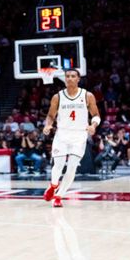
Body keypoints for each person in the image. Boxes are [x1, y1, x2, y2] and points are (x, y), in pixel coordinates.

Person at [42, 68, 101, 208]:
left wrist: (93, 125)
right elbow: (51, 116)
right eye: (67, 76)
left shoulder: (88, 95)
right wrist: (48, 125)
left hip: (79, 135)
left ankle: (58, 196)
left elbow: (96, 115)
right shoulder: (58, 97)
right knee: (59, 165)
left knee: (72, 167)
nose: (69, 78)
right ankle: (53, 185)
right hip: (62, 134)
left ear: (78, 79)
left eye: (73, 76)